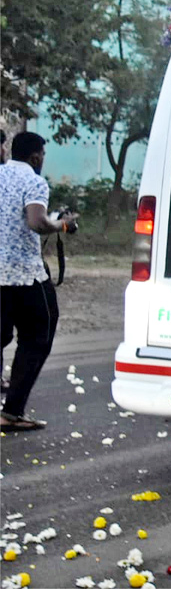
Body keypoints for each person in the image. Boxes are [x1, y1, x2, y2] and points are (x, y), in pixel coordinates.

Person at [1, 133, 77, 431]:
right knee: (38, 336)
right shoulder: (34, 181)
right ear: (36, 156)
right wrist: (63, 224)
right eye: (43, 154)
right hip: (24, 275)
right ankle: (11, 413)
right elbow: (36, 222)